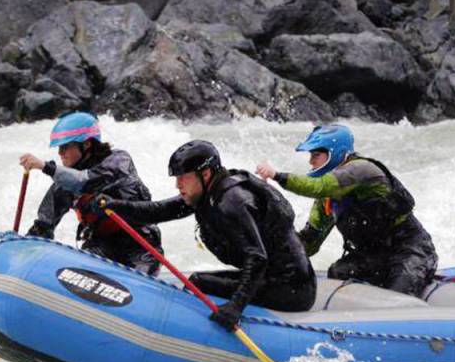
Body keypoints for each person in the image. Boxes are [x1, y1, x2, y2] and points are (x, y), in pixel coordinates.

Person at [91, 140, 316, 330]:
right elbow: (160, 210)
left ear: (205, 173)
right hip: (272, 278)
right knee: (198, 281)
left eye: (182, 177)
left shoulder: (233, 201)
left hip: (292, 288)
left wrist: (235, 307)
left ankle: (191, 331)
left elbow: (256, 257)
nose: (177, 184)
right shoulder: (208, 192)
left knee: (199, 282)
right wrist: (116, 205)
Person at [254, 124, 438, 298]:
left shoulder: (362, 170)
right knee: (338, 272)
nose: (311, 162)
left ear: (335, 153)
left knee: (399, 292)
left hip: (409, 249)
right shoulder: (326, 201)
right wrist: (270, 256)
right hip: (374, 255)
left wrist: (277, 176)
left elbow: (318, 187)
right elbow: (309, 242)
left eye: (316, 155)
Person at [18, 111, 162, 275]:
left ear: (86, 144)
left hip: (140, 246)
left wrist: (45, 167)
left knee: (140, 281)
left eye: (65, 147)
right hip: (101, 246)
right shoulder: (64, 184)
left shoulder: (119, 161)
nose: (60, 153)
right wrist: (23, 249)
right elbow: (43, 227)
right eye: (59, 147)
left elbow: (84, 181)